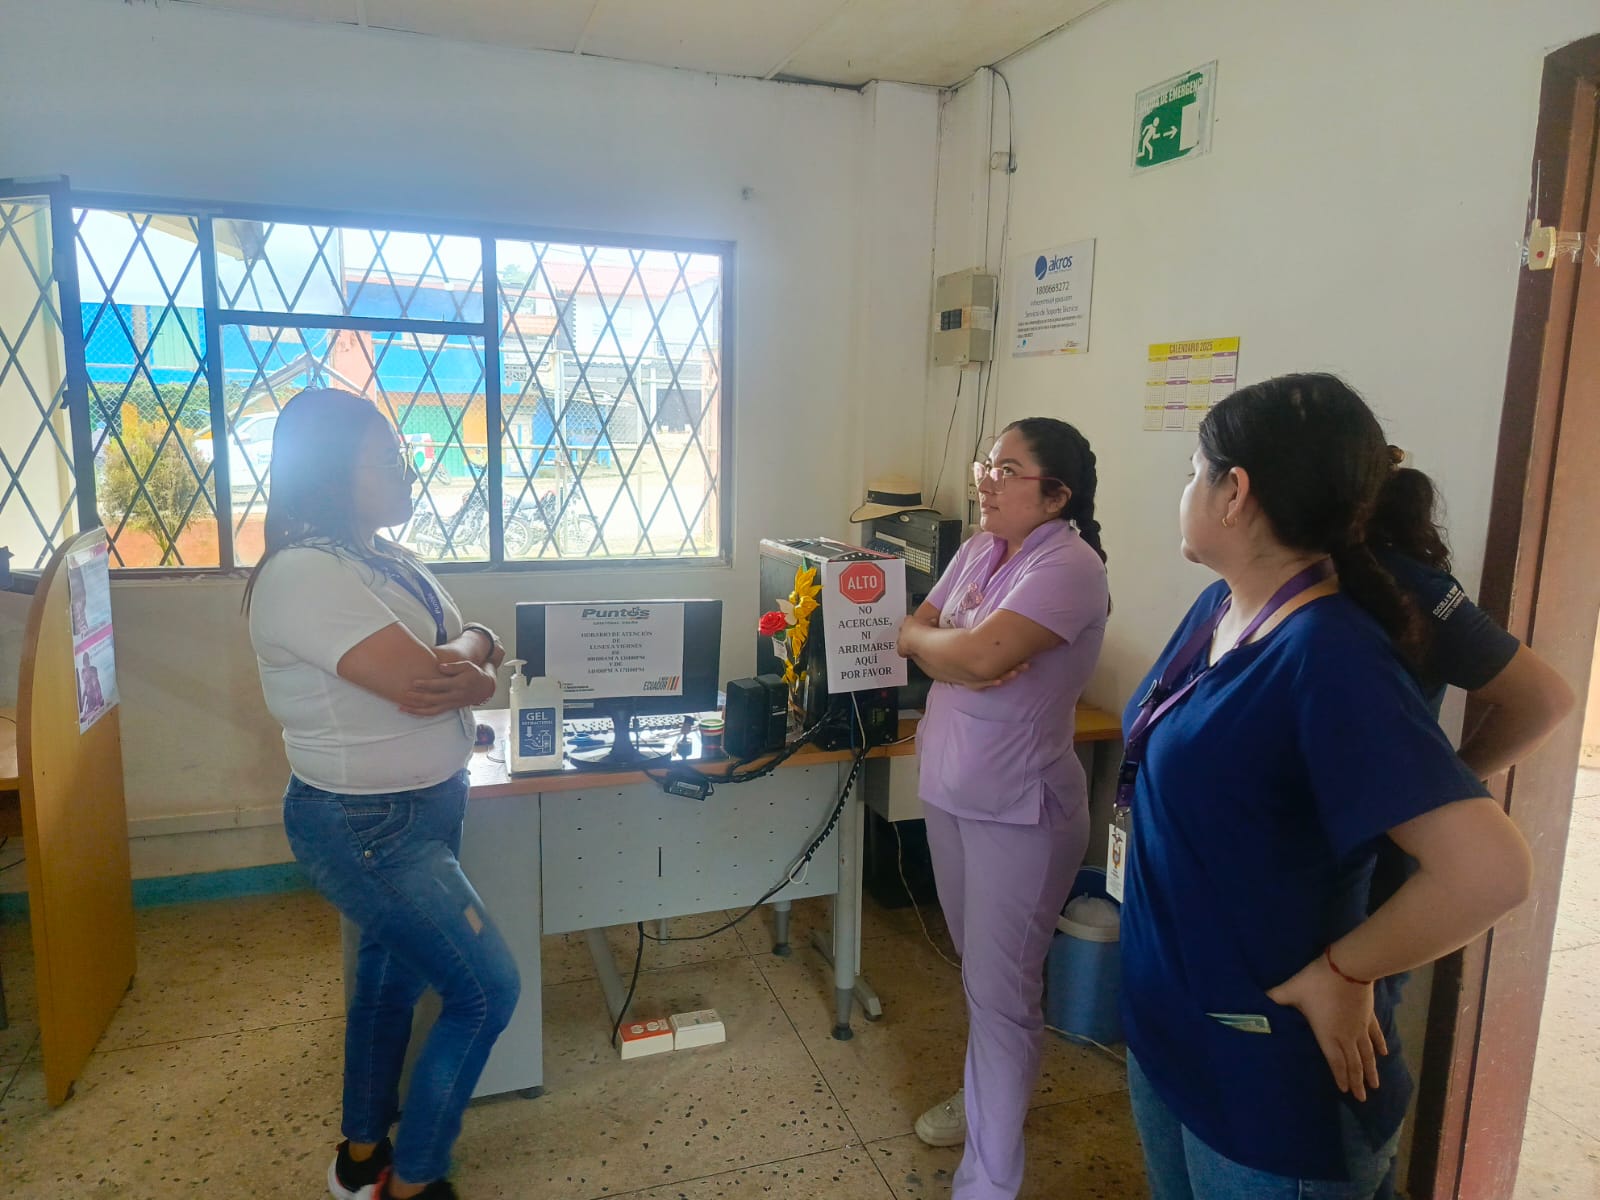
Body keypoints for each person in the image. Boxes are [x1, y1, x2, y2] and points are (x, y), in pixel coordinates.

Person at [1119, 373, 1533, 1200]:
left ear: (1235, 492)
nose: (1185, 491)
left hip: (1264, 1069)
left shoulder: (1328, 655)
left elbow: (1490, 872)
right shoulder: (1219, 609)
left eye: (1193, 472)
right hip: (1175, 1027)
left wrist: (1345, 973)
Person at [245, 388, 520, 1200]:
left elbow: (463, 641)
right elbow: (422, 680)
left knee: (390, 979)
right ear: (332, 471)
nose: (408, 471)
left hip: (425, 803)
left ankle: (362, 1156)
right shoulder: (302, 572)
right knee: (485, 990)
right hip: (368, 824)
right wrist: (473, 662)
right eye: (388, 459)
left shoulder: (381, 557)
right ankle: (416, 1181)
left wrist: (474, 649)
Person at [895, 417, 1110, 1200]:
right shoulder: (981, 549)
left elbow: (982, 655)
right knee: (982, 976)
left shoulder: (1070, 566)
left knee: (1002, 992)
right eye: (988, 462)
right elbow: (914, 630)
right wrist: (941, 648)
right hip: (952, 789)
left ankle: (987, 1180)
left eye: (1008, 468)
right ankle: (989, 1095)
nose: (986, 479)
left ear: (1056, 495)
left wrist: (951, 650)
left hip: (1020, 809)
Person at [1363, 455, 1574, 1200]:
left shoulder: (1407, 586)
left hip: (1377, 869)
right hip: (1313, 863)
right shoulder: (1294, 581)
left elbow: (1544, 699)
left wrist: (1452, 779)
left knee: (1356, 1058)